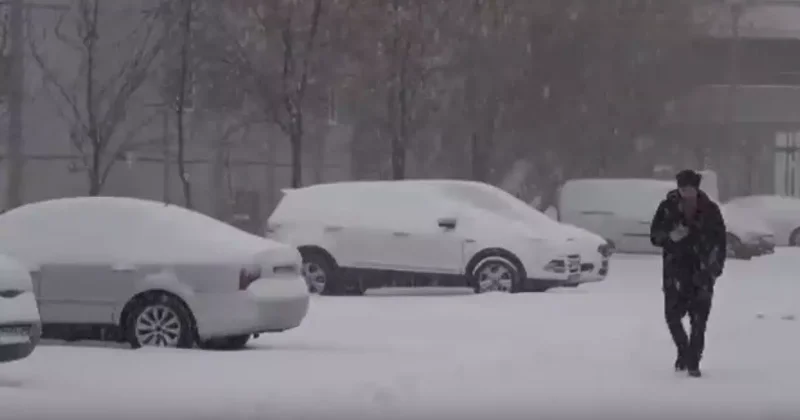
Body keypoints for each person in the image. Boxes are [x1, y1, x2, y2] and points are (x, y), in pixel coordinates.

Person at [649, 169, 726, 378]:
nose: (687, 193)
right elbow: (655, 235)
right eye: (683, 189)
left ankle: (693, 362)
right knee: (672, 316)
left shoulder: (710, 210)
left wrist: (715, 268)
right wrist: (670, 237)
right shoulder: (667, 207)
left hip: (702, 270)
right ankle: (683, 349)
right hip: (675, 270)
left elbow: (720, 241)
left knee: (699, 320)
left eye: (690, 189)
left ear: (697, 188)